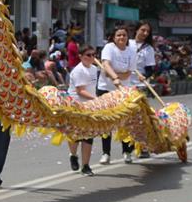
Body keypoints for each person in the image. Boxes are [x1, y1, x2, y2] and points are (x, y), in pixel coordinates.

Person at [96, 26, 136, 164]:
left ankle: (127, 151)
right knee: (106, 122)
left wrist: (116, 77)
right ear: (114, 37)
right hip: (105, 89)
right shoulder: (109, 48)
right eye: (118, 35)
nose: (121, 38)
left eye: (124, 35)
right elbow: (106, 65)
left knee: (124, 122)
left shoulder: (131, 51)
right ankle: (106, 153)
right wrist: (114, 76)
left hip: (123, 90)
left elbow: (128, 73)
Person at [67, 45, 98, 176]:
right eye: (88, 55)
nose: (91, 58)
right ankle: (73, 155)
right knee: (75, 136)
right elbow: (81, 91)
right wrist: (96, 99)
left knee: (88, 136)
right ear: (80, 56)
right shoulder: (78, 70)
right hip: (76, 105)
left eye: (93, 55)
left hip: (89, 106)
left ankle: (86, 165)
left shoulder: (95, 69)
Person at [129, 21, 157, 159]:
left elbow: (150, 69)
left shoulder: (148, 49)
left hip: (140, 87)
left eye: (147, 31)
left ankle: (144, 147)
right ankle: (128, 147)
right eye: (142, 30)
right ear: (136, 30)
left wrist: (145, 76)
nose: (145, 33)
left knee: (141, 118)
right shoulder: (127, 43)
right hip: (125, 85)